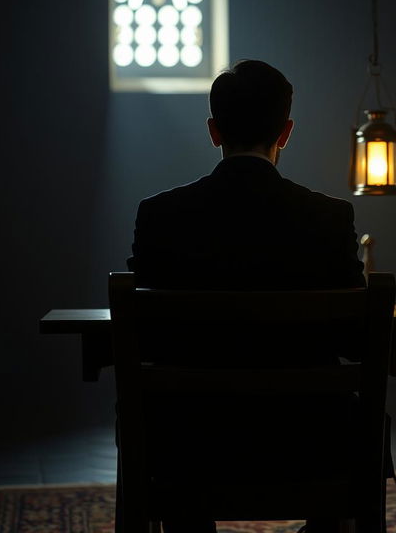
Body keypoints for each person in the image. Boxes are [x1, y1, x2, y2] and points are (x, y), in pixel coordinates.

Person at [127, 60, 368, 533]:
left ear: (214, 131)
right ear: (287, 131)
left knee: (168, 416)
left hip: (188, 442)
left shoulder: (161, 216)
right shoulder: (328, 218)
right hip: (310, 439)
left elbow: (145, 341)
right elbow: (356, 341)